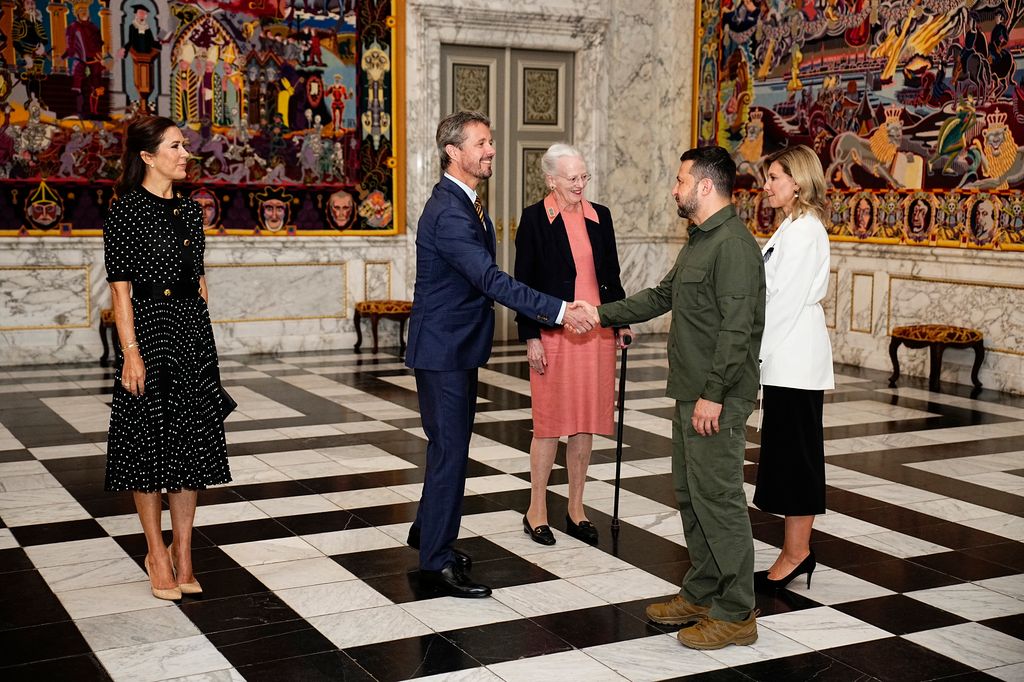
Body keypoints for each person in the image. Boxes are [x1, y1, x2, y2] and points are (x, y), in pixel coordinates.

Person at [573, 146, 765, 650]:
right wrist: (598, 312)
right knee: (690, 494)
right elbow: (663, 296)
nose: (674, 189)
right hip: (691, 392)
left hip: (715, 397)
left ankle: (737, 611)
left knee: (719, 501)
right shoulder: (700, 241)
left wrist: (714, 395)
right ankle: (703, 591)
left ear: (705, 186)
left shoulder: (734, 247)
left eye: (680, 180)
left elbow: (737, 331)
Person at [405, 111, 594, 598]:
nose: (491, 150)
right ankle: (436, 561)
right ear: (454, 152)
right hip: (445, 350)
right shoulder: (449, 210)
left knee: (447, 447)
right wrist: (556, 309)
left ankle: (429, 534)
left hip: (455, 346)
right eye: (482, 143)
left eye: (490, 142)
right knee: (450, 453)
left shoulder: (465, 202)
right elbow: (489, 279)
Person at [103, 116, 232, 602]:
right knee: (148, 445)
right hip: (149, 333)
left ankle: (185, 554)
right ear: (147, 157)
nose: (185, 154)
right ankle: (155, 552)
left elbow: (196, 276)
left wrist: (199, 305)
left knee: (192, 447)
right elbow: (120, 293)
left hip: (190, 332)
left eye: (185, 146)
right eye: (176, 147)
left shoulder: (191, 212)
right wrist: (130, 355)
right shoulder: (125, 212)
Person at [514, 143, 631, 546]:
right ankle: (537, 509)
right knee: (549, 425)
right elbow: (522, 285)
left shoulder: (602, 217)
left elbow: (611, 276)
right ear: (551, 180)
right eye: (572, 178)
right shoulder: (534, 220)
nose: (580, 184)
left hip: (596, 332)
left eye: (584, 177)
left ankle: (576, 507)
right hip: (554, 333)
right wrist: (531, 335)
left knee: (585, 423)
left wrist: (621, 321)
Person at [753, 145, 834, 591]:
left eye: (775, 178)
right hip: (785, 358)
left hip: (794, 358)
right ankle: (792, 550)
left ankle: (797, 552)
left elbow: (782, 302)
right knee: (786, 457)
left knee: (798, 459)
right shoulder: (793, 225)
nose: (767, 186)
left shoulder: (805, 231)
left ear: (798, 182)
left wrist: (754, 353)